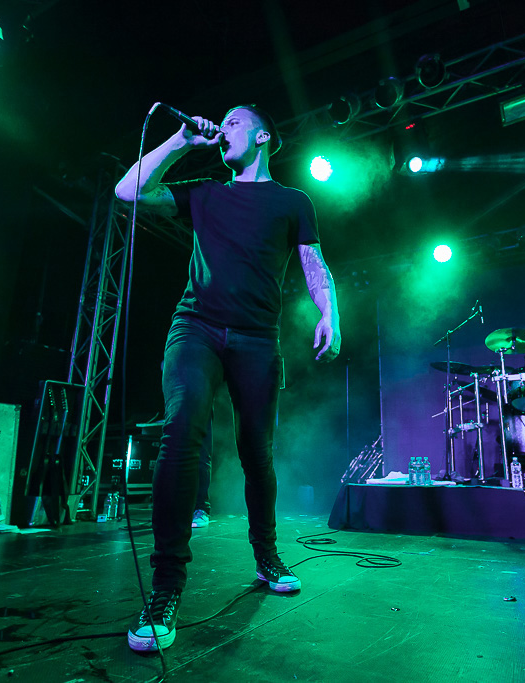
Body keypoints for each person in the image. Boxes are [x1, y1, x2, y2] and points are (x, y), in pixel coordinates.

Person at [115, 104, 341, 651]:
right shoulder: (205, 193)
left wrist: (329, 313)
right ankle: (165, 587)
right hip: (195, 328)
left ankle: (266, 554)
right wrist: (180, 141)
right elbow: (127, 192)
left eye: (234, 122)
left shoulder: (293, 201)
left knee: (256, 452)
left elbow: (314, 263)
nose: (223, 128)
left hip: (257, 339)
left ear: (262, 136)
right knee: (181, 429)